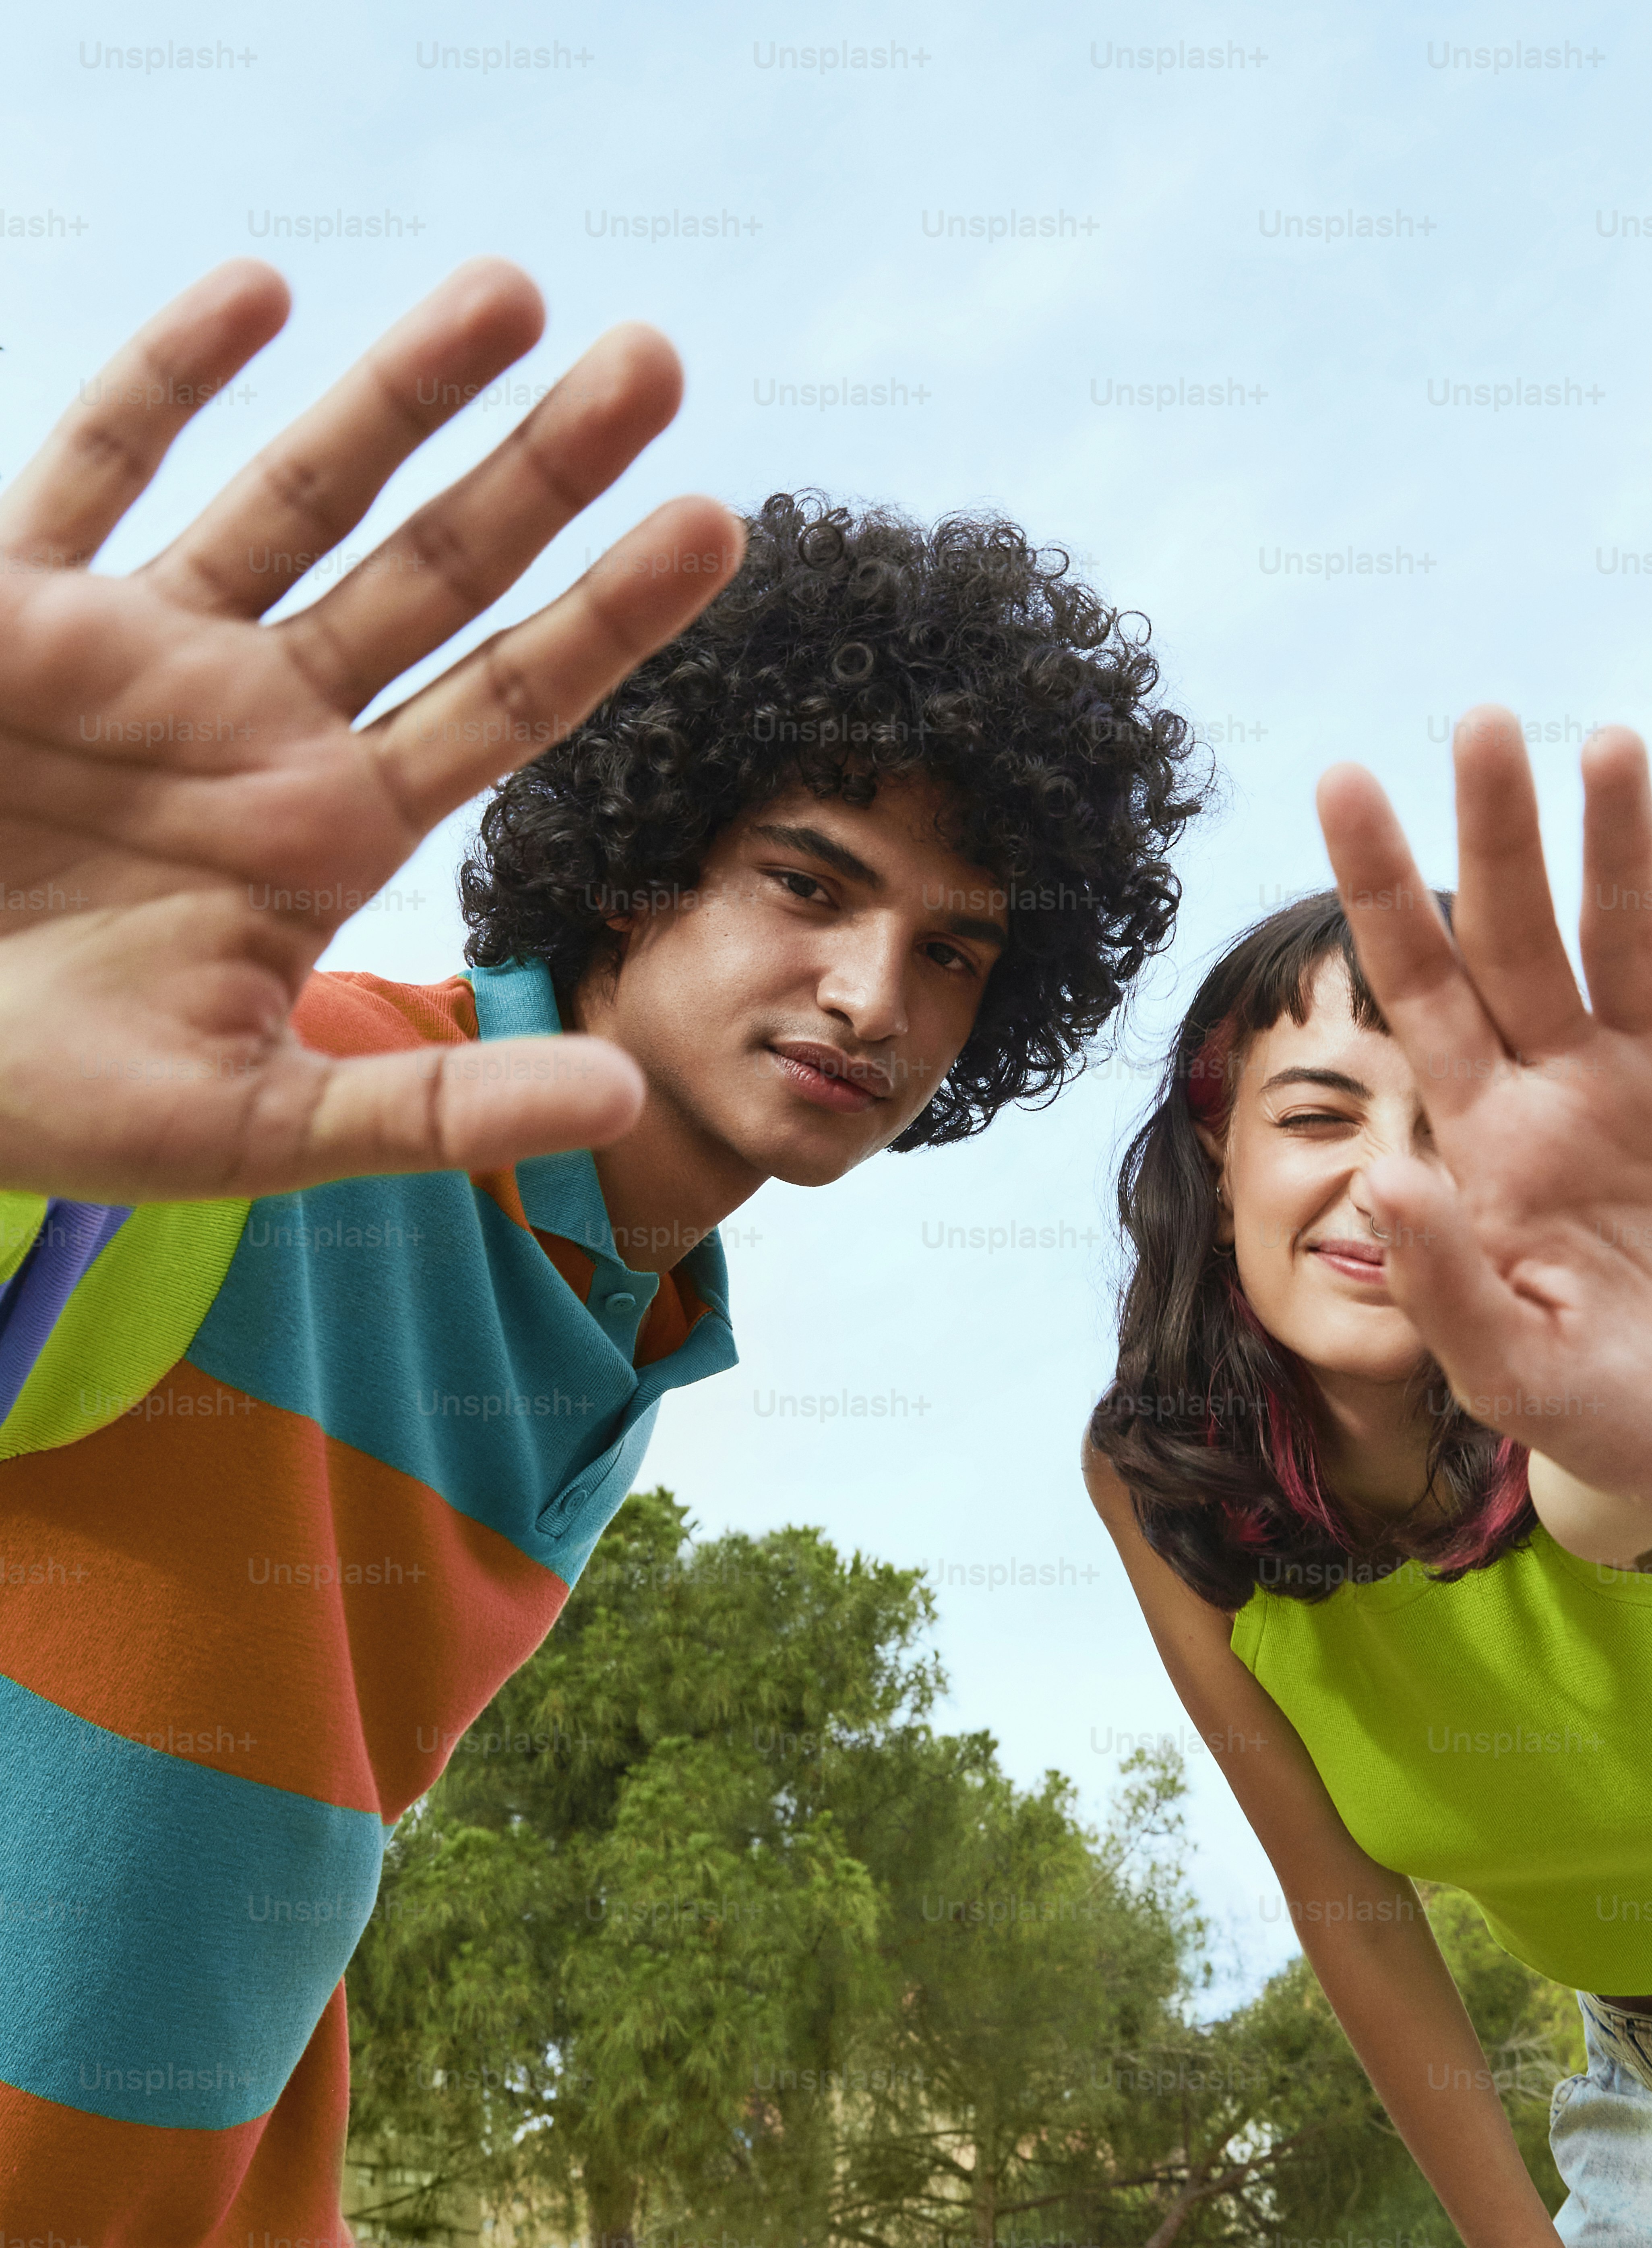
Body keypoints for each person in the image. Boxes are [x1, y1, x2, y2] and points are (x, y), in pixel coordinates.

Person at [0, 261, 1205, 2244]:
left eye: (954, 948)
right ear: (632, 861)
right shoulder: (266, 1099)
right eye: (806, 883)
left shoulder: (630, 1328)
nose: (867, 991)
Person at [1085, 707, 1652, 2247]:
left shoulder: (1593, 1425)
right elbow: (1342, 1898)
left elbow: (1622, 1490)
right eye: (1317, 1115)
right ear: (1216, 1167)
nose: (1390, 1185)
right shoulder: (1157, 1484)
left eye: (1455, 1137)